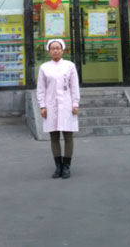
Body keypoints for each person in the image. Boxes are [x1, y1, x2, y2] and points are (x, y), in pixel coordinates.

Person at [36, 39, 80, 179]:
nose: (55, 50)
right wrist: (42, 105)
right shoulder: (44, 67)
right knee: (54, 136)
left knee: (68, 136)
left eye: (57, 48)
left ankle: (66, 166)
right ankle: (58, 166)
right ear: (49, 51)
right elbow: (41, 88)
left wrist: (75, 104)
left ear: (62, 50)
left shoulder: (69, 66)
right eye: (52, 48)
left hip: (67, 105)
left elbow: (74, 86)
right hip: (51, 106)